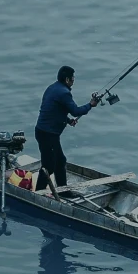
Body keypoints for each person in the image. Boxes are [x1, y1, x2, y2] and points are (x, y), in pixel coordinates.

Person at [34, 65, 99, 195]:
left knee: (60, 161)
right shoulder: (64, 93)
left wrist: (68, 120)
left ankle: (63, 191)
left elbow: (54, 110)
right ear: (67, 79)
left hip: (44, 132)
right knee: (49, 166)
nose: (74, 80)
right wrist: (90, 105)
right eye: (73, 78)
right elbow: (76, 111)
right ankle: (38, 193)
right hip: (48, 134)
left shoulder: (52, 88)